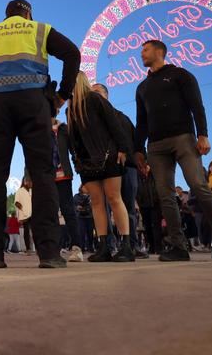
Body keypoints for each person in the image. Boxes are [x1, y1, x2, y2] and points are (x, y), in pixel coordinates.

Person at [0, 0, 81, 269]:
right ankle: (49, 253)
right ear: (28, 14)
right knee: (44, 175)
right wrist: (61, 96)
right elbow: (72, 54)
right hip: (34, 104)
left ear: (6, 15)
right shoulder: (40, 30)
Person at [133, 40, 212, 261]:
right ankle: (178, 246)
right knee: (165, 195)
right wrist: (138, 149)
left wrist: (202, 134)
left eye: (145, 50)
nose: (141, 54)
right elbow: (141, 122)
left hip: (183, 138)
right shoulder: (142, 88)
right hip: (156, 146)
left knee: (198, 185)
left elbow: (197, 106)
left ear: (159, 52)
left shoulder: (181, 75)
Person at [68, 72, 135, 262]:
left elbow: (114, 123)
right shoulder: (71, 108)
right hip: (87, 162)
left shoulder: (95, 99)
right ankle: (104, 246)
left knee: (114, 198)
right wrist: (77, 161)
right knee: (97, 202)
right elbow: (75, 139)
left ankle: (126, 246)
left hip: (108, 156)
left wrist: (122, 148)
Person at [92, 83, 148, 259]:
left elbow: (135, 139)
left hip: (127, 168)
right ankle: (107, 245)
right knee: (104, 206)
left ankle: (130, 245)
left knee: (128, 206)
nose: (94, 97)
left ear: (107, 95)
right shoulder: (92, 122)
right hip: (104, 169)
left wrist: (141, 159)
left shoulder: (121, 117)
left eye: (98, 93)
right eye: (91, 94)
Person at [51, 116, 84, 262]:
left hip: (64, 176)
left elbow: (73, 149)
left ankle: (76, 247)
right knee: (50, 212)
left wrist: (78, 165)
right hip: (47, 176)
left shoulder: (64, 129)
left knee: (68, 211)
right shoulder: (40, 128)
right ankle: (53, 248)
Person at [14, 179, 34, 255]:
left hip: (33, 213)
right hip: (24, 215)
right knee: (26, 232)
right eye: (30, 182)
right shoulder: (20, 191)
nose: (31, 183)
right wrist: (23, 210)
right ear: (26, 182)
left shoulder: (32, 190)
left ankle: (38, 248)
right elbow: (17, 203)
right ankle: (28, 249)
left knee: (36, 231)